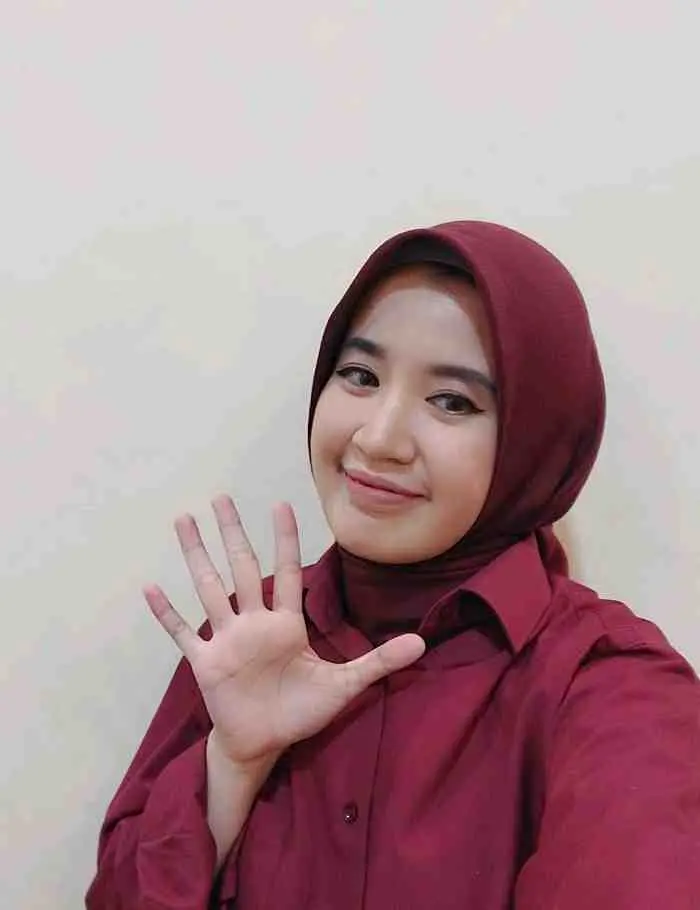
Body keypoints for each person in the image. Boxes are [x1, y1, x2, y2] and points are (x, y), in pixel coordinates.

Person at [86, 221, 700, 910]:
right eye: (360, 376)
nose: (377, 439)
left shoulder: (610, 685)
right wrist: (232, 766)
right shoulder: (246, 639)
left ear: (536, 440)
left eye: (452, 401)